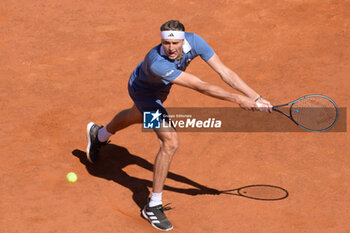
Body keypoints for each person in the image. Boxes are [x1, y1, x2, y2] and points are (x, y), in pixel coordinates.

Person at [86, 20, 272, 231]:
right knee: (170, 141)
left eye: (175, 43)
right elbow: (199, 86)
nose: (171, 48)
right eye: (167, 43)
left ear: (184, 40)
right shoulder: (158, 62)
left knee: (135, 116)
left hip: (160, 91)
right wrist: (239, 100)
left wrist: (256, 97)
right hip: (143, 92)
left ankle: (99, 135)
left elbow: (224, 71)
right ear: (162, 42)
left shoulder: (196, 42)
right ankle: (153, 206)